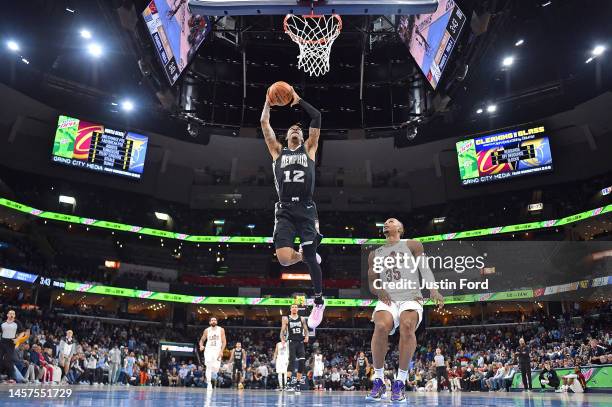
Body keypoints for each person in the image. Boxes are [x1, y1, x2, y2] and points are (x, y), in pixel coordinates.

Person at [261, 88, 325, 329]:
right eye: (292, 129)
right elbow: (264, 122)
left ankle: (319, 301)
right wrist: (268, 102)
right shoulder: (278, 151)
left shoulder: (309, 148)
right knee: (286, 260)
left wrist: (298, 100)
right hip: (285, 210)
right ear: (286, 136)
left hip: (307, 209)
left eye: (299, 128)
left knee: (310, 257)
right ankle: (306, 256)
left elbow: (317, 117)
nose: (297, 130)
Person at [366, 218, 444, 402]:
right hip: (388, 298)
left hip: (411, 295)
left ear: (400, 228)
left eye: (391, 221)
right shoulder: (374, 254)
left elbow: (424, 268)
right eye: (384, 222)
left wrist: (433, 289)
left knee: (407, 326)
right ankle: (378, 379)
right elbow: (371, 283)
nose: (386, 223)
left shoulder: (412, 245)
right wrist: (378, 290)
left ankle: (399, 383)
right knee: (380, 327)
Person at [280, 304, 309, 394]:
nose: (294, 308)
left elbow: (306, 329)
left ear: (298, 309)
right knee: (291, 361)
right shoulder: (286, 318)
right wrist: (282, 338)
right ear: (290, 309)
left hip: (300, 342)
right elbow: (283, 330)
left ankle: (297, 384)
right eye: (292, 307)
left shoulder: (302, 318)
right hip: (292, 342)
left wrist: (307, 336)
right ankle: (288, 384)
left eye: (296, 307)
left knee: (302, 362)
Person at [0, 310, 28, 383]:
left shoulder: (17, 323)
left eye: (13, 314)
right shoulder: (2, 323)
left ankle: (12, 377)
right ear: (7, 315)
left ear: (14, 316)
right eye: (10, 313)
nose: (11, 315)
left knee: (9, 360)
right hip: (2, 341)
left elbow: (23, 332)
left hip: (11, 342)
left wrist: (17, 339)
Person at [199, 317, 227, 389]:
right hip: (208, 350)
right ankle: (209, 383)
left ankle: (212, 377)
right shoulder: (206, 330)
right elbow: (202, 340)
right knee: (208, 366)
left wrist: (221, 351)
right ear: (210, 322)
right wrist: (201, 345)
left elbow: (224, 342)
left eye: (215, 320)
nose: (213, 321)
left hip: (217, 350)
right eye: (212, 320)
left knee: (216, 368)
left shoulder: (221, 330)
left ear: (216, 322)